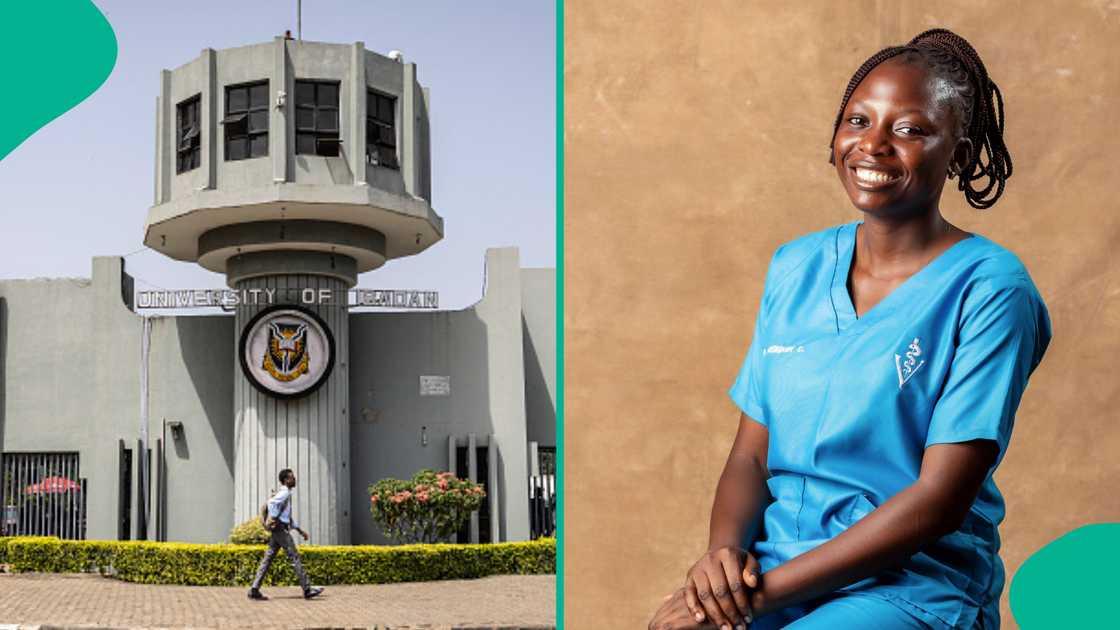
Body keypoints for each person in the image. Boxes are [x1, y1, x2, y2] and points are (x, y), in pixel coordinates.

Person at [648, 28, 1050, 630]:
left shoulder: (990, 289)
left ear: (960, 156)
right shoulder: (796, 266)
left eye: (910, 129)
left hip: (909, 585)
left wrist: (757, 599)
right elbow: (751, 457)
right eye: (858, 121)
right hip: (779, 565)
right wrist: (723, 566)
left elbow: (937, 503)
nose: (874, 146)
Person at [248, 468, 324, 600]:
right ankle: (307, 589)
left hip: (278, 530)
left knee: (268, 559)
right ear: (286, 480)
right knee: (294, 558)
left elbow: (286, 517)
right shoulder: (285, 493)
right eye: (292, 477)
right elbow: (271, 503)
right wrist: (275, 518)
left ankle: (254, 589)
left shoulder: (285, 493)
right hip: (281, 531)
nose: (294, 479)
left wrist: (299, 530)